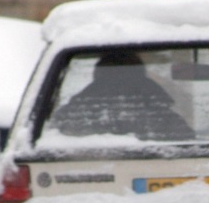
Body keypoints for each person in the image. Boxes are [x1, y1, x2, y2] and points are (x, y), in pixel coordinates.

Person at [49, 50, 195, 141]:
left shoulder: (72, 114)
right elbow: (187, 144)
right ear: (141, 75)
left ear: (97, 74)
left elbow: (50, 138)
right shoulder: (162, 114)